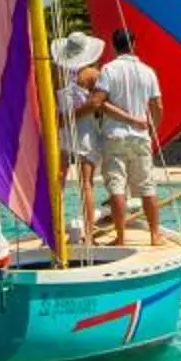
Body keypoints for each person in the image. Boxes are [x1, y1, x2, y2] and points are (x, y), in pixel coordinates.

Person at [91, 27, 165, 246]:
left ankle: (121, 237)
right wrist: (151, 129)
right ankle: (154, 235)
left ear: (114, 46)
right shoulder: (148, 71)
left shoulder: (109, 69)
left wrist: (126, 118)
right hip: (140, 136)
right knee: (147, 187)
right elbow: (158, 106)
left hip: (115, 135)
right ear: (134, 44)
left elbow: (98, 102)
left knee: (116, 187)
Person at [51, 31, 106, 239]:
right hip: (85, 132)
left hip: (63, 131)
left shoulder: (57, 73)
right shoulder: (91, 74)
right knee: (86, 184)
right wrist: (73, 117)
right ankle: (89, 231)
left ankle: (55, 228)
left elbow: (52, 103)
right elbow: (97, 103)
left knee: (59, 182)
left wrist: (63, 119)